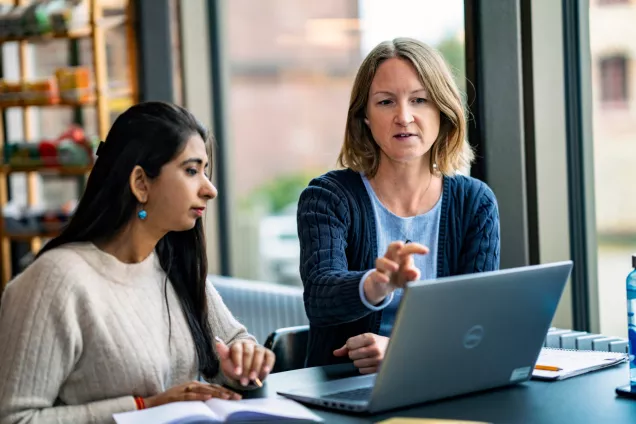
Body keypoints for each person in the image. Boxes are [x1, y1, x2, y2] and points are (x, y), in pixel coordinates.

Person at [0, 102, 275, 424]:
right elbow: (16, 418)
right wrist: (144, 406)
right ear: (141, 183)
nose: (210, 189)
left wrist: (243, 364)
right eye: (191, 170)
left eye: (205, 170)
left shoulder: (171, 265)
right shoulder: (55, 280)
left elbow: (234, 341)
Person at [297, 38, 500, 371]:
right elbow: (320, 299)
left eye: (419, 100)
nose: (404, 117)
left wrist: (402, 351)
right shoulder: (328, 197)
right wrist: (379, 282)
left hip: (443, 380)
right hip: (346, 388)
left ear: (443, 111)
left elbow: (476, 323)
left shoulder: (475, 202)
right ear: (364, 116)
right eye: (386, 102)